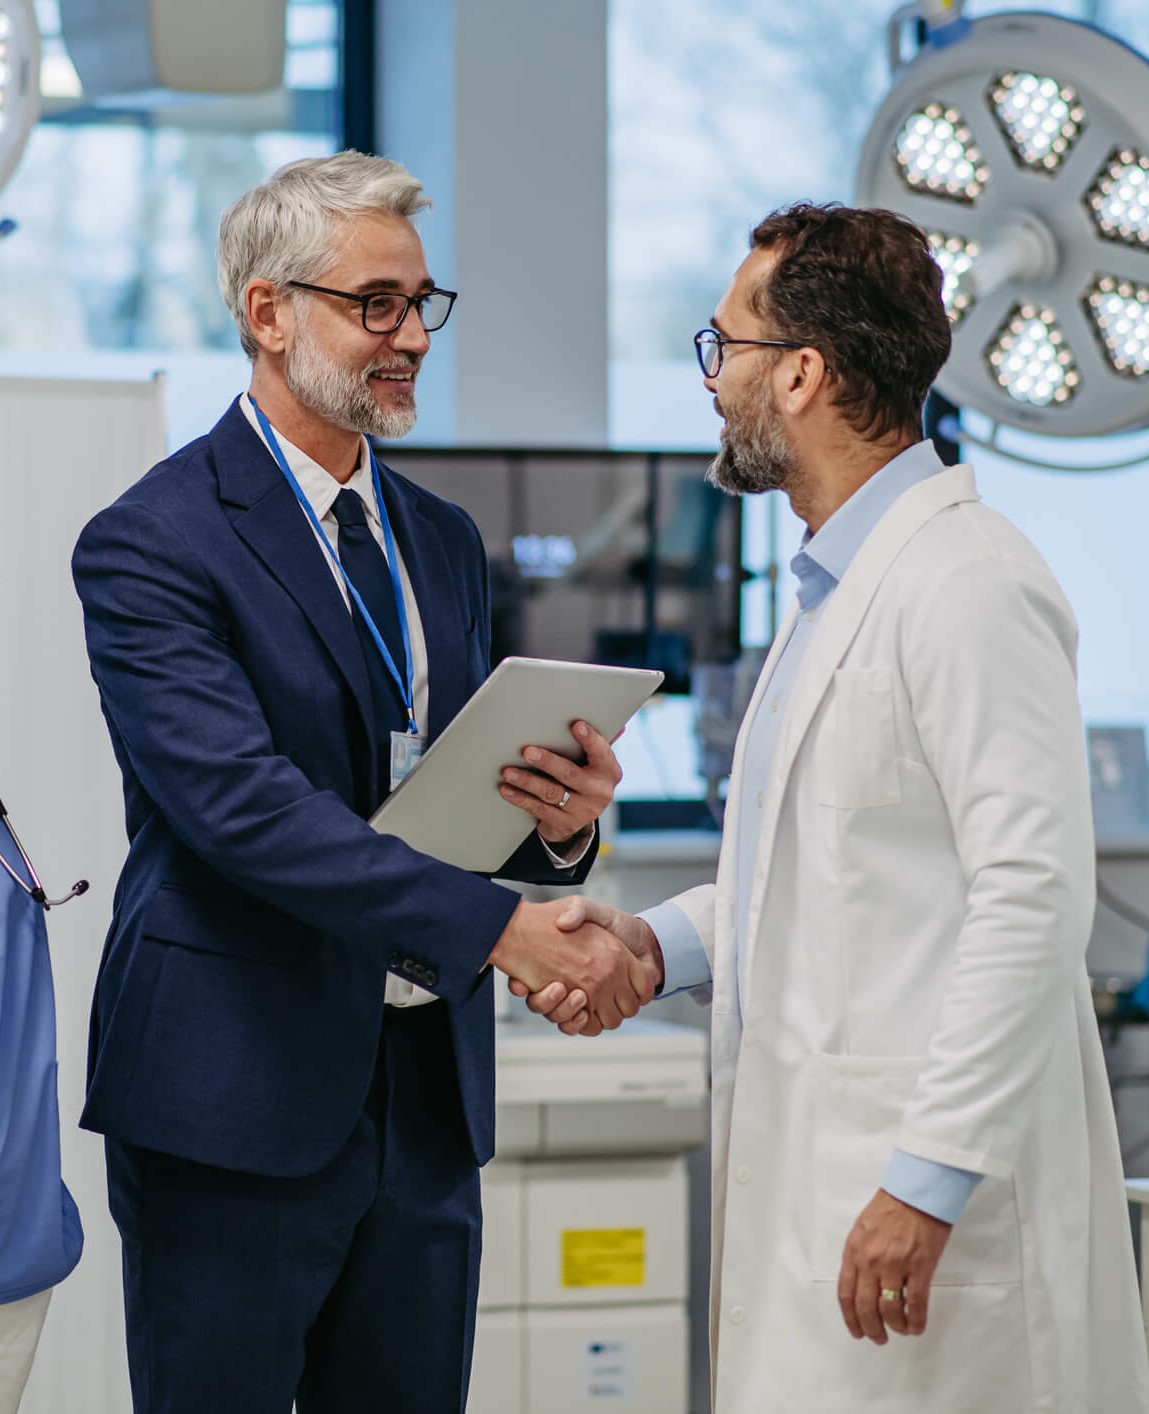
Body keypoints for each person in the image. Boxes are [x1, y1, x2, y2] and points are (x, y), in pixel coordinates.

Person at [529, 203, 1149, 1412]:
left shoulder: (968, 581)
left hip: (926, 1203)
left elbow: (1035, 896)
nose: (710, 384)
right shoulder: (833, 585)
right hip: (827, 1189)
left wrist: (927, 1178)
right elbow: (822, 871)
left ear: (803, 373)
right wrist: (659, 946)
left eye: (725, 350)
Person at [71, 150, 651, 1414]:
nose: (409, 339)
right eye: (373, 303)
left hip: (423, 1100)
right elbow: (244, 808)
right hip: (235, 1095)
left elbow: (451, 787)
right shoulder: (150, 542)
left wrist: (553, 833)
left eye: (421, 304)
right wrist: (508, 928)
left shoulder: (439, 538)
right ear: (267, 311)